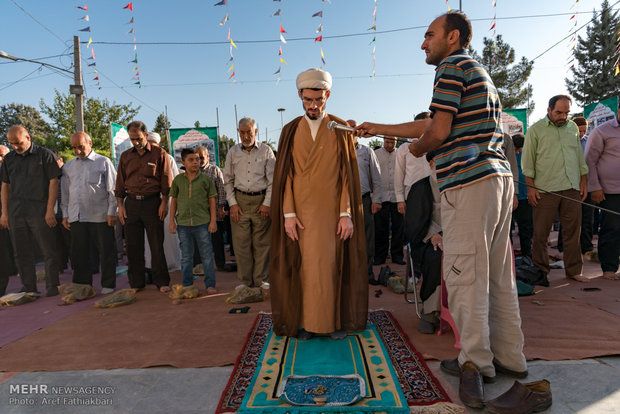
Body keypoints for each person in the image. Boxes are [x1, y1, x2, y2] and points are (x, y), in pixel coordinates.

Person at [356, 11, 527, 407]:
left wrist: (416, 151)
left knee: (465, 277)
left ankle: (476, 363)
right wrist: (378, 127)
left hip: (468, 185)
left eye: (429, 35)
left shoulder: (449, 67)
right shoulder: (475, 69)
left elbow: (436, 132)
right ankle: (510, 359)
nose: (423, 43)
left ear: (452, 37)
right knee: (498, 276)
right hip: (496, 182)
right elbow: (431, 122)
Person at [270, 68, 367, 341]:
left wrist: (345, 213)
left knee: (329, 266)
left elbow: (347, 175)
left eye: (319, 100)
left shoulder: (339, 128)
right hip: (299, 215)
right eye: (308, 100)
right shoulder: (290, 130)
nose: (313, 106)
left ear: (328, 96)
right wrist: (288, 213)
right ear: (300, 96)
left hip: (331, 214)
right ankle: (305, 323)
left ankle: (332, 322)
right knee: (303, 268)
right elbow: (285, 176)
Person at [522, 95, 589, 283]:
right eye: (559, 112)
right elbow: (527, 163)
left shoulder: (573, 128)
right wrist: (531, 188)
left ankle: (574, 270)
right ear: (549, 110)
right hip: (545, 190)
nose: (563, 116)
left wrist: (583, 181)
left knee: (573, 232)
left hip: (572, 187)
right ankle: (540, 271)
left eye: (566, 113)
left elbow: (579, 157)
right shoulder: (536, 130)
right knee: (541, 234)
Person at [1, 125, 62, 297]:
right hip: (16, 212)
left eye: (18, 143)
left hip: (40, 211)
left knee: (48, 250)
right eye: (11, 143)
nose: (15, 147)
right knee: (21, 252)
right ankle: (29, 287)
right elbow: (5, 186)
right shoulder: (9, 159)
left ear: (28, 138)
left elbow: (53, 182)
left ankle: (52, 286)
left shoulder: (45, 155)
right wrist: (4, 213)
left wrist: (50, 209)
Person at [115, 121, 173, 293]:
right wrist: (120, 206)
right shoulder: (125, 156)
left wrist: (164, 203)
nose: (136, 142)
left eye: (139, 138)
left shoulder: (159, 153)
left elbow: (166, 182)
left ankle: (162, 282)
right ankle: (136, 283)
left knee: (156, 245)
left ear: (146, 136)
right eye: (132, 139)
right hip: (131, 204)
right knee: (133, 246)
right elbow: (119, 184)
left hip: (153, 203)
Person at [61, 132, 117, 294]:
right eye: (74, 148)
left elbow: (112, 189)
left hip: (100, 215)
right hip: (77, 215)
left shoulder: (103, 162)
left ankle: (108, 284)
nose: (77, 151)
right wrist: (65, 214)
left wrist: (111, 212)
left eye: (81, 147)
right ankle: (82, 284)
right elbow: (65, 192)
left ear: (90, 143)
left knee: (106, 251)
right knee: (79, 252)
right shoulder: (69, 166)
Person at [223, 117, 275, 290]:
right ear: (238, 132)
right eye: (242, 132)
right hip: (240, 202)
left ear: (255, 131)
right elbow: (227, 180)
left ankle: (262, 280)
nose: (246, 136)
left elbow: (272, 181)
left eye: (249, 132)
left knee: (262, 243)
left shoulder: (266, 151)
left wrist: (267, 203)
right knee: (241, 244)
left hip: (261, 201)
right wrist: (233, 204)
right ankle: (245, 281)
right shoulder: (232, 152)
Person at [169, 148, 218, 293]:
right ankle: (188, 284)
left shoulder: (205, 179)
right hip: (183, 224)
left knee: (207, 256)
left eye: (197, 159)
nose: (195, 162)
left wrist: (213, 221)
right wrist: (172, 221)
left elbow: (212, 200)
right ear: (183, 162)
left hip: (203, 222)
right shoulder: (178, 180)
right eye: (191, 160)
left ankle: (210, 284)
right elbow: (174, 201)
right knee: (186, 257)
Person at [585, 113, 620, 280]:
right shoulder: (601, 131)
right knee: (612, 228)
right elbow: (589, 161)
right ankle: (609, 268)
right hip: (609, 191)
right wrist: (595, 187)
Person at [348, 120, 382, 281]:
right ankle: (348, 274)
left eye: (352, 129)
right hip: (344, 204)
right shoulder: (336, 152)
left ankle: (367, 273)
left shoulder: (367, 152)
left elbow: (376, 177)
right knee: (345, 239)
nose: (350, 133)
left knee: (367, 238)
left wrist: (377, 200)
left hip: (365, 201)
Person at [144, 131, 181, 275]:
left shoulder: (167, 158)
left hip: (165, 202)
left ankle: (171, 264)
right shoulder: (142, 158)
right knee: (149, 238)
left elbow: (173, 183)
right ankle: (151, 265)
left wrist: (168, 203)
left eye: (154, 145)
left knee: (168, 236)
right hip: (148, 202)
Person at [197, 146, 230, 271]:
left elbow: (221, 190)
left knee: (217, 241)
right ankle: (202, 267)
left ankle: (220, 265)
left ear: (208, 157)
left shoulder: (214, 170)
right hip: (199, 213)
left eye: (201, 157)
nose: (199, 161)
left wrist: (221, 208)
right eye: (197, 158)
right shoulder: (193, 172)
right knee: (200, 241)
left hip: (215, 212)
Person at [374, 136, 405, 266]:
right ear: (383, 141)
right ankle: (380, 256)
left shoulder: (400, 153)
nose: (390, 144)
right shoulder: (376, 154)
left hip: (398, 198)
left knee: (399, 229)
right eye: (387, 142)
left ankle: (397, 256)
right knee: (381, 229)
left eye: (393, 142)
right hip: (381, 197)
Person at [511, 134, 533, 258]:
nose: (518, 152)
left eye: (520, 149)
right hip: (509, 197)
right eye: (516, 149)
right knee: (508, 229)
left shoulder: (526, 155)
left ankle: (527, 254)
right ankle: (509, 256)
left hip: (524, 196)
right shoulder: (506, 154)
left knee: (525, 227)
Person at [0, 144, 18, 296]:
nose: (0, 159)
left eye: (2, 155)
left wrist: (5, 214)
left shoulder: (14, 169)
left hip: (10, 216)